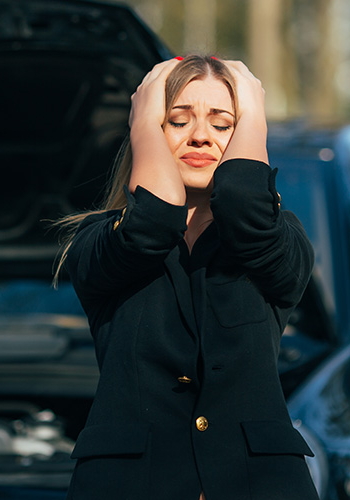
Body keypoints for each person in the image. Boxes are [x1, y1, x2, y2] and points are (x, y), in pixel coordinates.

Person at [55, 55, 318, 500]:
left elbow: (242, 203)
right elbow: (153, 220)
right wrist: (141, 121)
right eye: (177, 120)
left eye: (222, 124)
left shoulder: (278, 238)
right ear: (150, 133)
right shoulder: (97, 240)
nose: (200, 135)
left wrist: (252, 109)